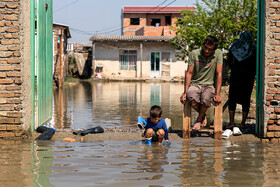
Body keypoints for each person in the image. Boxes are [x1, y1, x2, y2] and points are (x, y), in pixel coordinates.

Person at [180, 35, 223, 131]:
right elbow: (189, 73)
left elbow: (219, 73)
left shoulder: (218, 54)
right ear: (203, 45)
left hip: (209, 85)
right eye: (205, 48)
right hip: (195, 84)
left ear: (214, 50)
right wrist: (185, 92)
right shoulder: (194, 54)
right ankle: (203, 115)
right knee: (190, 97)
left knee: (206, 98)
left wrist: (218, 94)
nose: (207, 51)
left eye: (210, 49)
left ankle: (199, 119)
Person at [226, 30, 256, 129]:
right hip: (248, 76)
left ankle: (231, 122)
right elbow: (256, 63)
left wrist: (234, 69)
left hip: (236, 74)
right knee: (246, 98)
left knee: (232, 98)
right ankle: (243, 123)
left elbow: (229, 60)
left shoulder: (235, 46)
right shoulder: (253, 47)